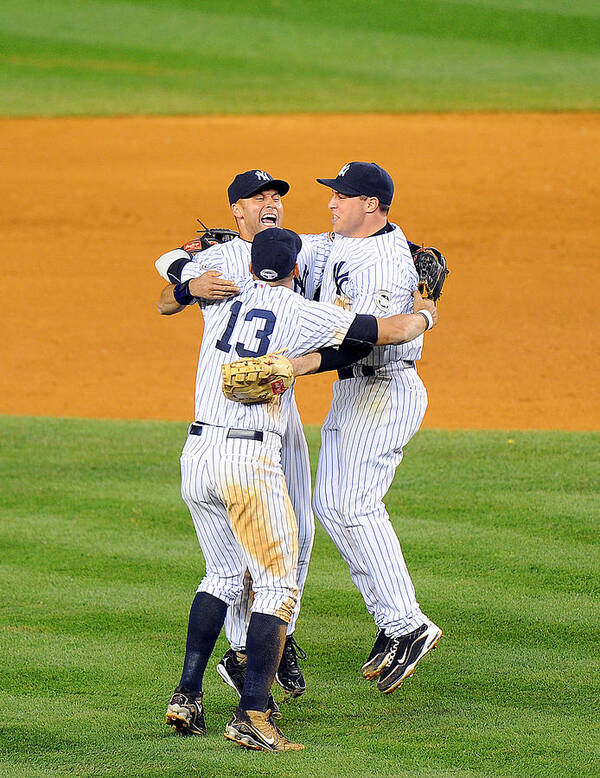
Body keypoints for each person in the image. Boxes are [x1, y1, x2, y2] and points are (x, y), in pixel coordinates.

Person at [161, 227, 437, 751]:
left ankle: (186, 696)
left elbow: (172, 275)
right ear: (295, 271)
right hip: (249, 462)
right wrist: (428, 310)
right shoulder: (301, 312)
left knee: (221, 574)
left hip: (196, 455)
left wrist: (188, 277)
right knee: (277, 588)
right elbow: (389, 331)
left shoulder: (220, 302)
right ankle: (253, 714)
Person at [157, 170, 329, 702]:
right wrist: (189, 285)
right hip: (243, 427)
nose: (272, 202)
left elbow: (345, 244)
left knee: (296, 524)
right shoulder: (227, 256)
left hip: (276, 410)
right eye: (260, 196)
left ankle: (280, 638)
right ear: (237, 209)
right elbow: (166, 281)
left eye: (277, 195)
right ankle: (244, 653)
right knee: (251, 550)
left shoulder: (300, 246)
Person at [302, 161, 443, 695]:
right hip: (357, 393)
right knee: (335, 507)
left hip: (383, 389)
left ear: (371, 205)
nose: (331, 203)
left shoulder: (384, 264)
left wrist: (301, 365)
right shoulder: (343, 239)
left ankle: (407, 624)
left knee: (352, 506)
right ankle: (395, 622)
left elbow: (367, 340)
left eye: (341, 196)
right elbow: (301, 248)